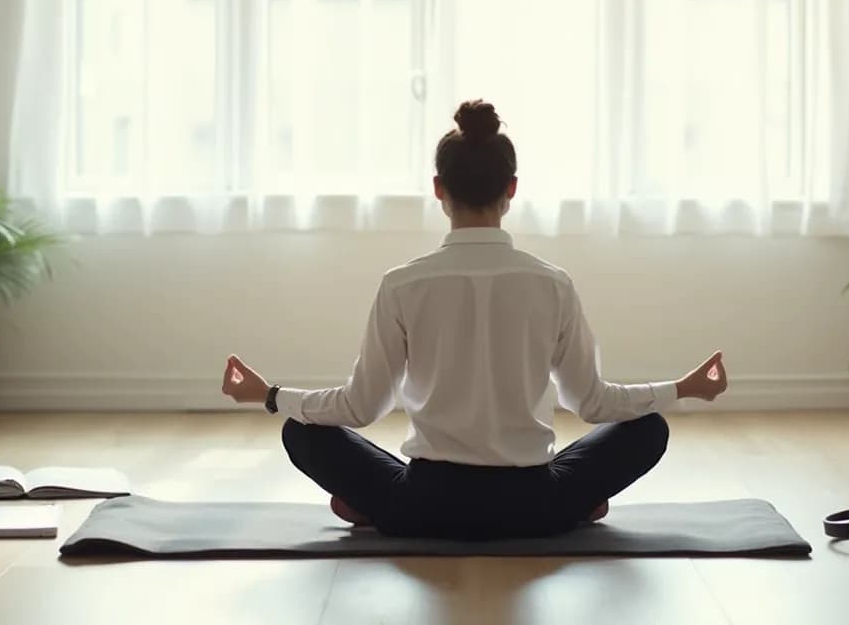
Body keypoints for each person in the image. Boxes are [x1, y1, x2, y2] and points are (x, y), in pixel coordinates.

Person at [222, 99, 728, 540]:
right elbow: (591, 403)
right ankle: (575, 506)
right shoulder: (552, 283)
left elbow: (360, 407)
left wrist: (269, 395)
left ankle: (381, 510)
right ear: (512, 187)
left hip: (424, 505)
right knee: (648, 429)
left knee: (301, 431)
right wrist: (681, 388)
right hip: (536, 507)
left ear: (438, 188)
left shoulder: (402, 284)